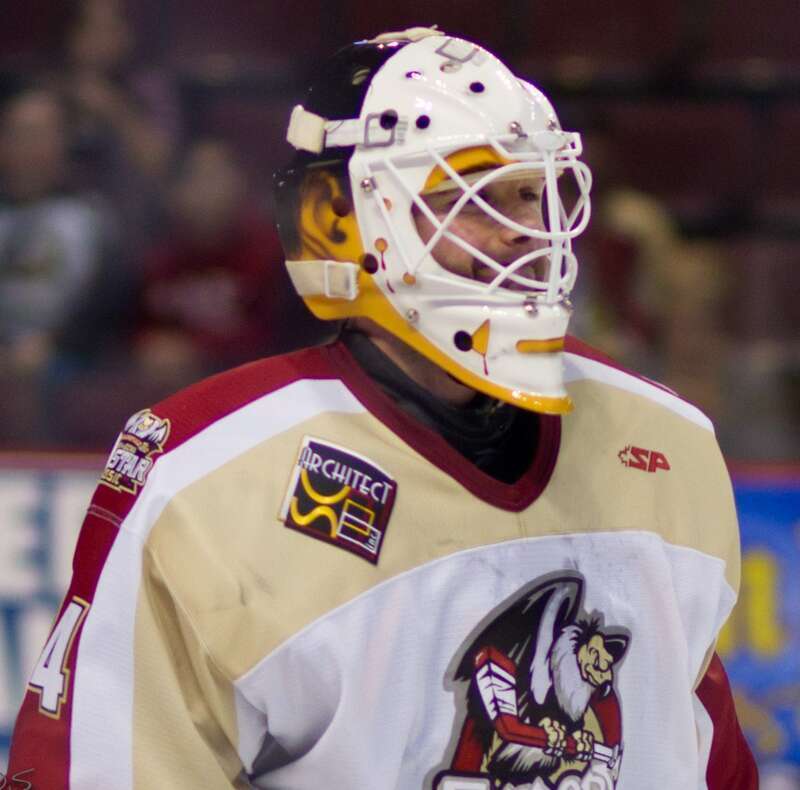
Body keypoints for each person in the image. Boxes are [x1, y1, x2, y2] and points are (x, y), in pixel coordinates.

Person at [7, 29, 756, 788]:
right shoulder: (203, 481)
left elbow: (707, 758)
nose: (523, 233)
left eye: (530, 193)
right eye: (473, 197)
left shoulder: (670, 443)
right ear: (341, 221)